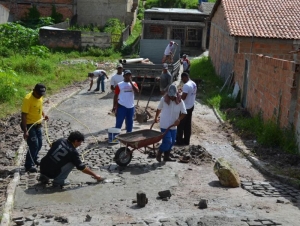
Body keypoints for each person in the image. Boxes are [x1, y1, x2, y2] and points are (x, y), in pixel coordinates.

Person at [39, 131, 105, 186]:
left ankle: (44, 175)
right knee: (73, 162)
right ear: (76, 141)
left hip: (42, 167)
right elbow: (82, 167)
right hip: (52, 173)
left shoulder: (60, 140)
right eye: (80, 142)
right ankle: (59, 180)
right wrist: (95, 175)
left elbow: (52, 145)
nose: (80, 144)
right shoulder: (73, 152)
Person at [154, 85, 187, 162]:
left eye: (173, 96)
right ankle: (159, 152)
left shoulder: (180, 101)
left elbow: (184, 112)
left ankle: (166, 156)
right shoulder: (163, 99)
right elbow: (159, 109)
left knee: (172, 142)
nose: (172, 98)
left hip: (173, 125)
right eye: (170, 96)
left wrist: (179, 119)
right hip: (164, 124)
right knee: (168, 141)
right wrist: (156, 117)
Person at [21, 83, 49, 173]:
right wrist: (25, 131)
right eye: (39, 94)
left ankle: (34, 158)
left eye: (42, 94)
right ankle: (28, 165)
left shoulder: (40, 96)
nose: (40, 96)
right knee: (34, 145)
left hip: (38, 124)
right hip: (29, 125)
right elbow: (24, 115)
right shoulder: (28, 99)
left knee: (40, 144)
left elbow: (40, 107)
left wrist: (44, 115)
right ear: (34, 91)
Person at [176, 72, 197, 145]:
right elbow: (189, 93)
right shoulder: (193, 83)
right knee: (187, 125)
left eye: (182, 79)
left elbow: (183, 97)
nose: (182, 80)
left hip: (185, 108)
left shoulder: (186, 85)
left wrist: (178, 96)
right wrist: (182, 90)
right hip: (191, 106)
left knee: (180, 125)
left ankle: (179, 142)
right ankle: (186, 141)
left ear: (185, 77)